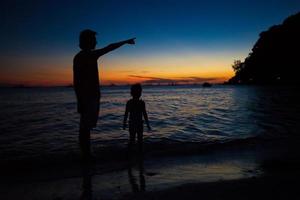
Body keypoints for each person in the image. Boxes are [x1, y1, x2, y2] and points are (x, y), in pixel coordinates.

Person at [73, 29, 135, 160]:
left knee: (86, 127)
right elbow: (77, 82)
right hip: (88, 97)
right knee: (85, 128)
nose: (96, 42)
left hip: (91, 97)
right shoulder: (85, 56)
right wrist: (125, 42)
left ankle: (86, 154)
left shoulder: (84, 56)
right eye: (94, 40)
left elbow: (109, 47)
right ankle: (86, 155)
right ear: (88, 41)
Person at [123, 84, 151, 157]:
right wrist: (147, 124)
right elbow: (144, 114)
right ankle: (137, 154)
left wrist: (124, 123)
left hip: (134, 124)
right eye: (140, 92)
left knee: (133, 140)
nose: (140, 93)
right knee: (139, 140)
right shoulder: (140, 103)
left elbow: (126, 114)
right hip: (137, 124)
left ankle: (131, 154)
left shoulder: (131, 102)